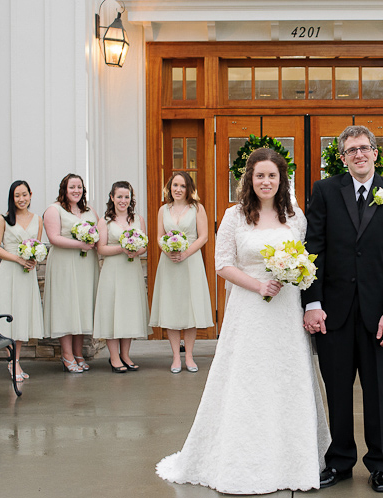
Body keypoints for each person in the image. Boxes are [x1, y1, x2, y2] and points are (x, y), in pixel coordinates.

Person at [156, 148, 330, 494]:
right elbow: (223, 264)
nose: (266, 181)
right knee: (247, 380)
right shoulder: (234, 216)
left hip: (285, 311)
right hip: (249, 310)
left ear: (282, 181)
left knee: (285, 378)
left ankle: (293, 459)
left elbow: (306, 261)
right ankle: (240, 459)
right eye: (259, 175)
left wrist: (294, 274)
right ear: (249, 179)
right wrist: (258, 284)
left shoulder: (296, 217)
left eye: (272, 176)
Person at [303, 125, 383, 493]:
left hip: (377, 314)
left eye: (364, 148)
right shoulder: (325, 191)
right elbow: (312, 250)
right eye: (351, 151)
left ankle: (381, 463)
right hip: (334, 313)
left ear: (375, 153)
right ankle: (340, 460)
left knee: (379, 392)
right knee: (338, 391)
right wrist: (313, 303)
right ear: (343, 157)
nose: (359, 155)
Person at [149, 171, 213, 373]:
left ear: (189, 189)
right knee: (172, 307)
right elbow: (159, 236)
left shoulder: (197, 208)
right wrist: (167, 250)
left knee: (189, 308)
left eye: (182, 186)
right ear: (169, 187)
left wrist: (185, 254)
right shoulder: (163, 210)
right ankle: (176, 357)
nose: (178, 189)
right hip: (169, 263)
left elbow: (203, 237)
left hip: (190, 262)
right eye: (175, 185)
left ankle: (190, 357)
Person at [0, 181, 45, 382]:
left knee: (21, 316)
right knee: (8, 315)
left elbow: (37, 246)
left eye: (24, 194)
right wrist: (18, 259)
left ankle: (16, 359)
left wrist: (33, 260)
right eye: (17, 196)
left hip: (26, 274)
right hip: (10, 272)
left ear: (31, 194)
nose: (21, 199)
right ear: (12, 198)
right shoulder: (3, 219)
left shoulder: (38, 220)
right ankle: (12, 362)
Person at [43, 174, 100, 373]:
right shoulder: (54, 209)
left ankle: (78, 353)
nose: (76, 190)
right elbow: (54, 238)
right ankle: (66, 355)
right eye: (72, 187)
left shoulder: (89, 210)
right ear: (64, 189)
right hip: (64, 265)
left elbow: (99, 233)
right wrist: (81, 244)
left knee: (81, 307)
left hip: (86, 266)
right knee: (66, 307)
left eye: (79, 187)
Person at [93, 181, 149, 373]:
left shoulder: (138, 219)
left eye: (126, 197)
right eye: (119, 197)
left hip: (131, 270)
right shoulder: (105, 221)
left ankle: (125, 355)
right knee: (112, 311)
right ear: (112, 198)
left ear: (131, 198)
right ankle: (114, 357)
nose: (123, 200)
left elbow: (144, 244)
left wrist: (137, 250)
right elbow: (100, 248)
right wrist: (121, 248)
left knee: (128, 311)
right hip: (113, 270)